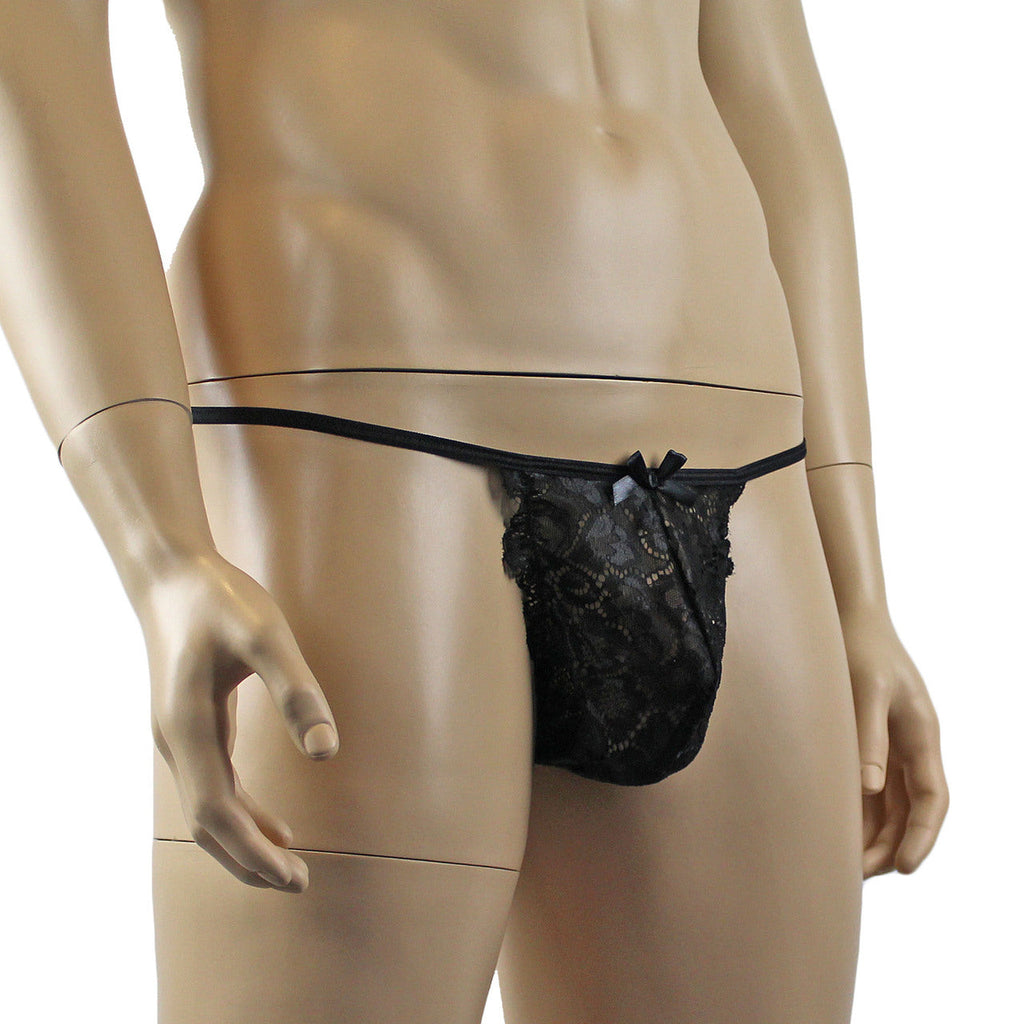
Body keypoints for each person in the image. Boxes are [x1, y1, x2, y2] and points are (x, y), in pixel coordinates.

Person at [0, 1, 949, 1022]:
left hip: (735, 463)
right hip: (366, 433)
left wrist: (861, 587)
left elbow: (770, 94)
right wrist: (161, 551)